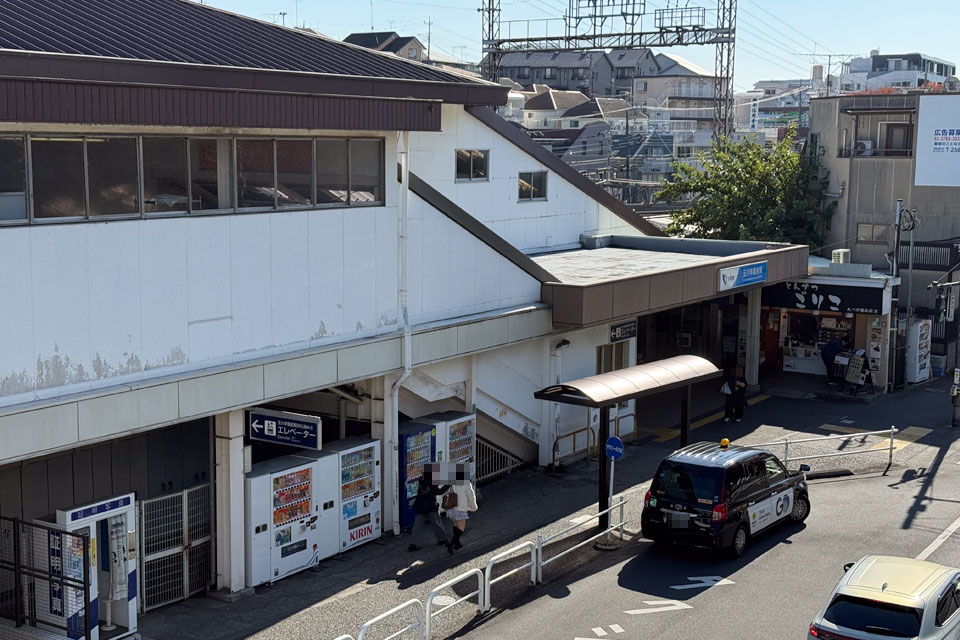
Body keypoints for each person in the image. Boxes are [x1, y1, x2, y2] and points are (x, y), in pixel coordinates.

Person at [408, 472, 449, 553]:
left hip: (420, 507)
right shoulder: (431, 484)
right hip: (430, 508)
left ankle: (413, 544)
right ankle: (442, 539)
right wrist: (448, 485)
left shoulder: (422, 483)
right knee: (437, 524)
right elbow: (439, 492)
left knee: (417, 526)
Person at [440, 472, 478, 554]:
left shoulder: (448, 481)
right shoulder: (465, 482)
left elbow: (443, 493)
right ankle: (452, 543)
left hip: (450, 506)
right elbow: (471, 496)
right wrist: (473, 507)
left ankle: (457, 544)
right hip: (460, 507)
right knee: (461, 528)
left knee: (455, 524)